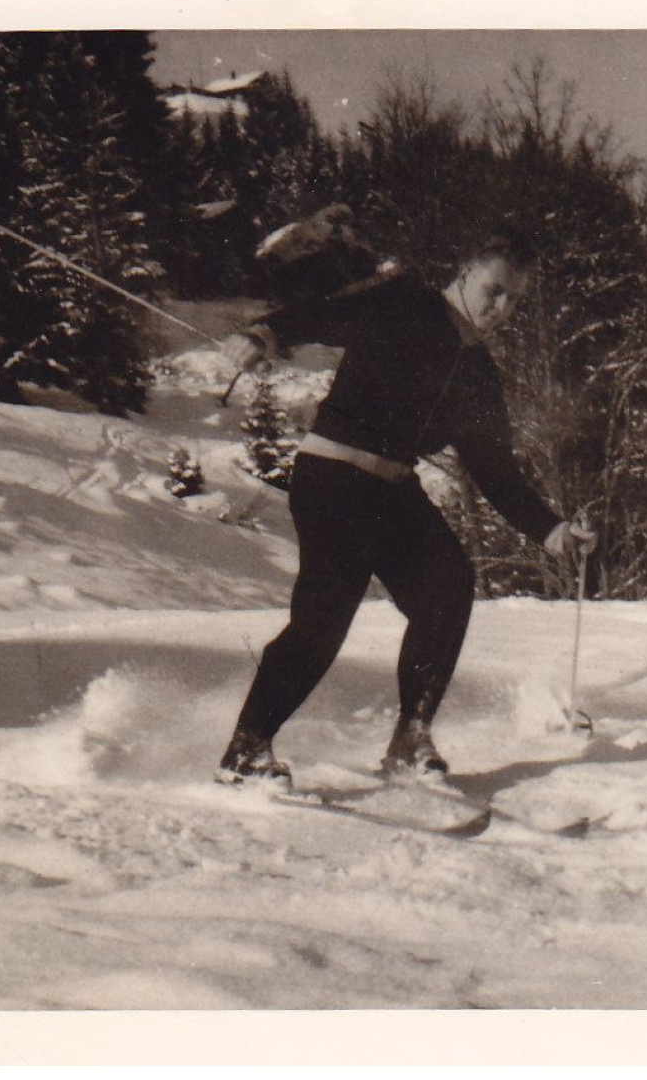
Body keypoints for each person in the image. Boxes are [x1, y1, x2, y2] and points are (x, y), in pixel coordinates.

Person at [214, 227, 595, 786]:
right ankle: (247, 749)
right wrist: (265, 334)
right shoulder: (405, 302)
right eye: (495, 290)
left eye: (515, 299)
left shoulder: (478, 373)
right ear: (464, 274)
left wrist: (552, 530)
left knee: (447, 582)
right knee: (326, 616)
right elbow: (325, 314)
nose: (503, 308)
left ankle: (410, 739)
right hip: (335, 475)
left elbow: (495, 472)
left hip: (392, 493)